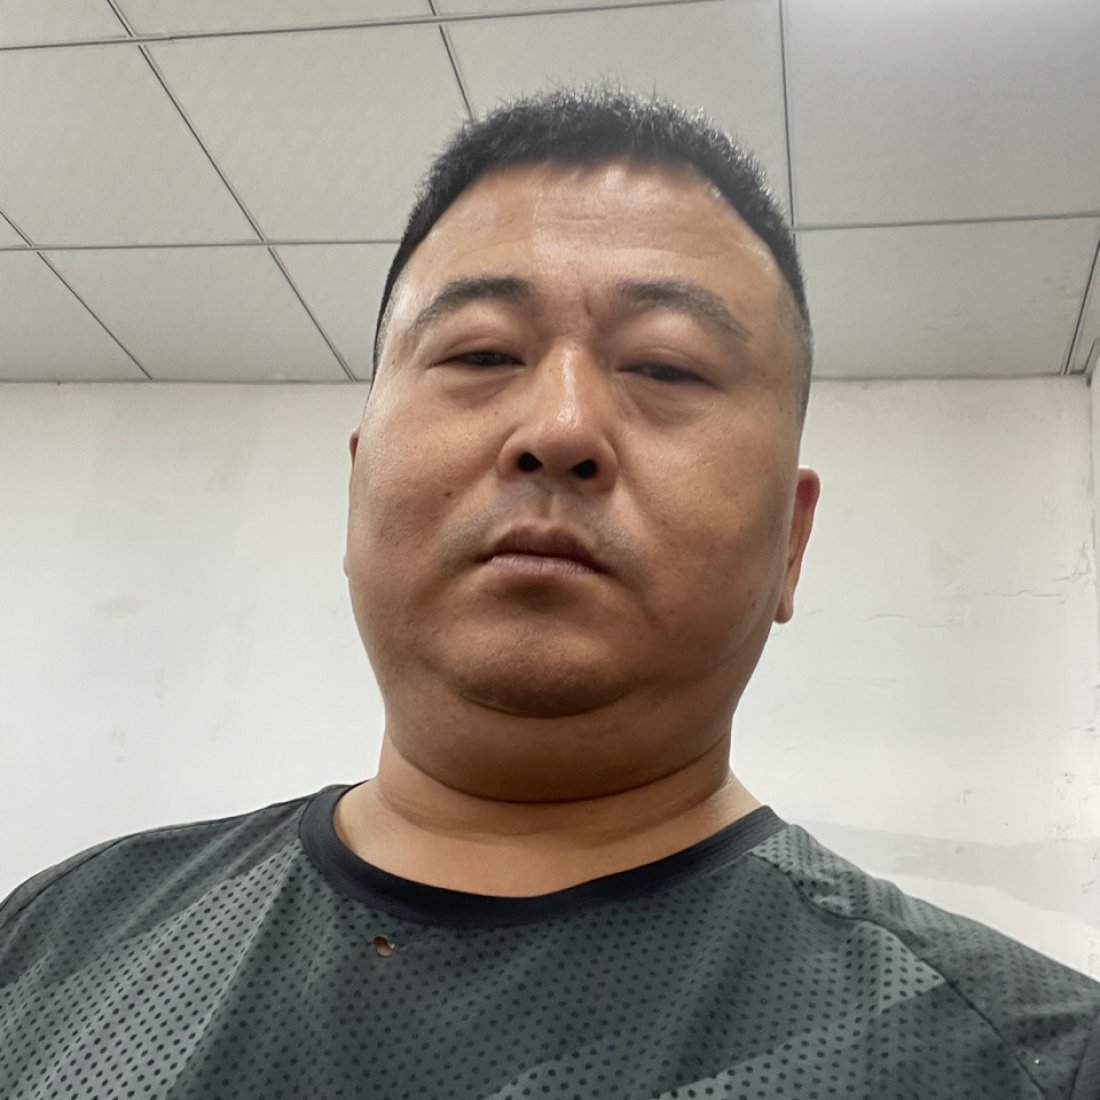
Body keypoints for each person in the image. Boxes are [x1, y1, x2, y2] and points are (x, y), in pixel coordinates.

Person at [1, 86, 1097, 1100]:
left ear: (791, 545)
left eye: (665, 366)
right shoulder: (55, 941)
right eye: (481, 353)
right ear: (356, 488)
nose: (561, 428)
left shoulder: (1015, 1057)